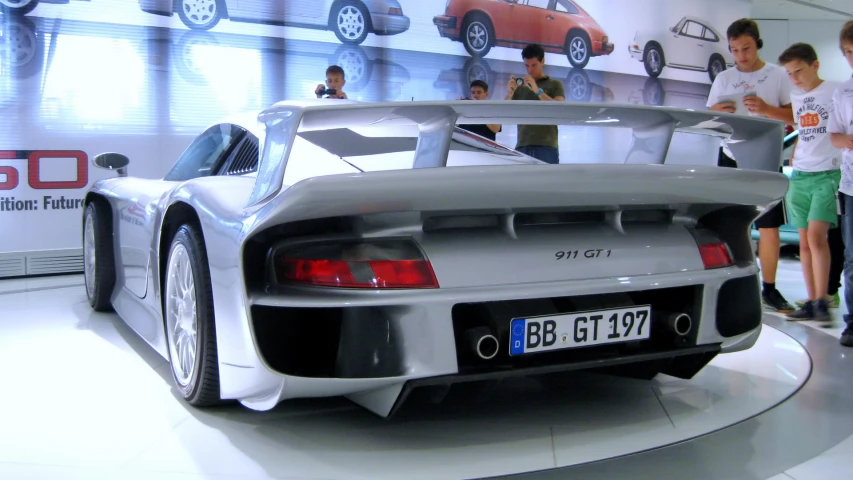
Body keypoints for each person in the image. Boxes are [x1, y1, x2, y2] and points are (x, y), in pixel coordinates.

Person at [706, 18, 796, 313]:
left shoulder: (778, 75)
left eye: (746, 48)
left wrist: (768, 110)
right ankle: (730, 283)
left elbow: (795, 114)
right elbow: (707, 121)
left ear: (757, 44)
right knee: (728, 221)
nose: (741, 55)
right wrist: (716, 112)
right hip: (730, 153)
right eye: (734, 50)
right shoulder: (724, 79)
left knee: (769, 225)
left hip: (765, 155)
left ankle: (769, 288)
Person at [777, 43, 841, 322]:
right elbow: (805, 130)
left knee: (817, 237)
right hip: (801, 173)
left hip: (827, 173)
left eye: (799, 71)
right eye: (790, 74)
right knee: (804, 242)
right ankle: (813, 300)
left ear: (815, 65)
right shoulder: (797, 95)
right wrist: (793, 153)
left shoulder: (836, 90)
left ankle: (824, 299)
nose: (795, 78)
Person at [828, 20, 853, 347]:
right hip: (851, 185)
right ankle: (852, 322)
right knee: (851, 258)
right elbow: (833, 136)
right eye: (848, 52)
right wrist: (847, 139)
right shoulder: (843, 91)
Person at [505, 44, 566, 164]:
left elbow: (559, 109)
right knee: (523, 183)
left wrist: (537, 90)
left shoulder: (555, 84)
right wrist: (510, 93)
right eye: (526, 65)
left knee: (548, 182)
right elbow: (505, 112)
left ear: (542, 61)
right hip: (522, 146)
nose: (530, 70)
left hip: (547, 146)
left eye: (534, 65)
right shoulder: (520, 88)